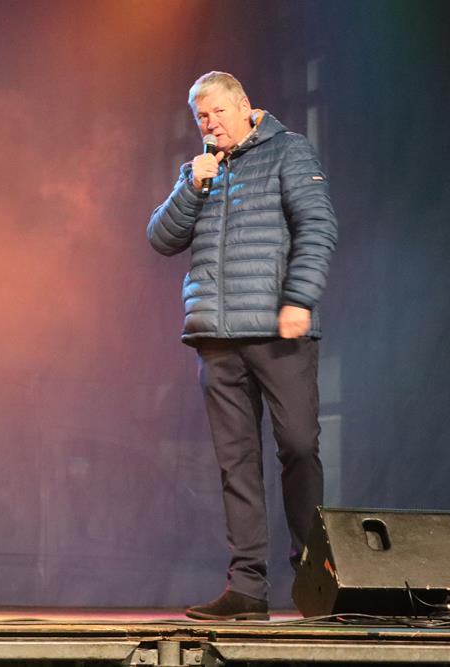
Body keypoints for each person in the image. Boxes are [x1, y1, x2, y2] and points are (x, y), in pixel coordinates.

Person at [147, 72, 337, 620]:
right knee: (236, 463)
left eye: (217, 114)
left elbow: (318, 227)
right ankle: (248, 588)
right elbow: (161, 238)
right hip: (216, 337)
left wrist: (298, 298)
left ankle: (315, 579)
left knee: (298, 446)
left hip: (278, 332)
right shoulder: (198, 171)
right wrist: (192, 185)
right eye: (201, 118)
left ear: (245, 107)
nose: (210, 126)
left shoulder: (288, 152)